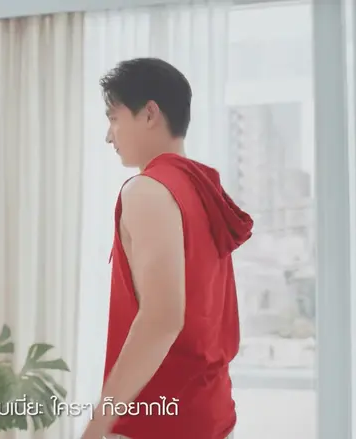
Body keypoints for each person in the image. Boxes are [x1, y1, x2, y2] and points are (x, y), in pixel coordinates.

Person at [80, 58, 254, 439]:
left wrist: (97, 425)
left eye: (114, 118)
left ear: (149, 114)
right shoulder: (203, 191)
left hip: (160, 420)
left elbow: (161, 319)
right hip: (210, 412)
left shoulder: (148, 190)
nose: (109, 136)